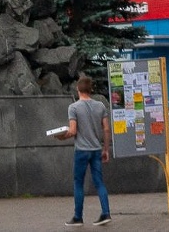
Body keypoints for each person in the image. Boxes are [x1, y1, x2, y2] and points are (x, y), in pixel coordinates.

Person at [58, 75, 111, 226]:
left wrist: (62, 137)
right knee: (99, 182)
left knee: (78, 183)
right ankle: (106, 213)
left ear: (78, 89)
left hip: (81, 150)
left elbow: (73, 130)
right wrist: (105, 149)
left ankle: (78, 217)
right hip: (96, 150)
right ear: (91, 89)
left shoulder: (73, 107)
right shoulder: (100, 106)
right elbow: (106, 129)